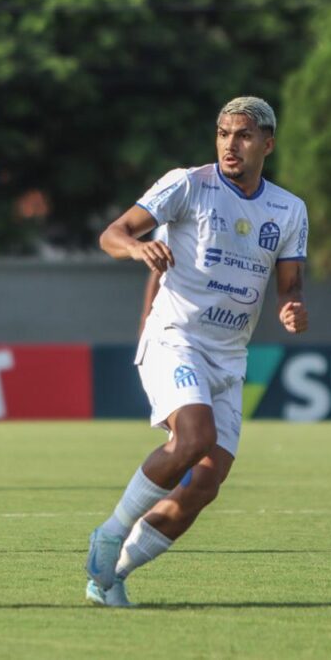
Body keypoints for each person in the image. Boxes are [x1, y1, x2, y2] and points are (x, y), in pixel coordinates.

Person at [85, 97, 309, 607]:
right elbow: (112, 233)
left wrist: (292, 307)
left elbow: (290, 286)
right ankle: (111, 532)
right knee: (194, 437)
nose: (231, 144)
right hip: (175, 337)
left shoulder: (289, 209)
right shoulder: (187, 184)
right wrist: (138, 247)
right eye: (224, 133)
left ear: (267, 144)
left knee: (205, 485)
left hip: (230, 357)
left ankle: (111, 576)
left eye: (245, 135)